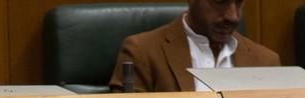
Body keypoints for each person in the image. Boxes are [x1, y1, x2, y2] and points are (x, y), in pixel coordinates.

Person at [108, 0, 280, 93]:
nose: (233, 16)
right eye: (220, 2)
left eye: (239, 2)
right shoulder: (141, 52)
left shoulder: (266, 61)